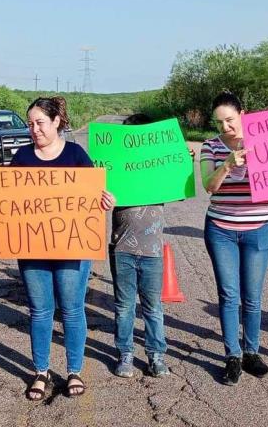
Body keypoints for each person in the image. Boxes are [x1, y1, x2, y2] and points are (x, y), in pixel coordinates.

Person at [0, 96, 115, 401]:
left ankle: (74, 370)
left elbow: (93, 196)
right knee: (40, 311)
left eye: (40, 122)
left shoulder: (77, 155)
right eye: (30, 123)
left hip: (71, 250)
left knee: (72, 310)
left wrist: (106, 201)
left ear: (56, 122)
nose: (34, 129)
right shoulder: (23, 157)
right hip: (33, 250)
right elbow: (6, 201)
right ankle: (41, 372)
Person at [109, 113, 196, 379]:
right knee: (124, 307)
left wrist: (184, 162)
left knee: (153, 307)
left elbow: (182, 188)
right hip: (121, 249)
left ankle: (156, 355)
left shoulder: (160, 171)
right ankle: (125, 353)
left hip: (152, 252)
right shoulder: (115, 169)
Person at [200, 90, 268, 386]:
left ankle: (251, 352)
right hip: (221, 229)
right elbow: (209, 186)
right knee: (229, 295)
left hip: (258, 228)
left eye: (230, 120)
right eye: (219, 123)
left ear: (242, 113)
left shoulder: (266, 143)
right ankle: (232, 356)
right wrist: (228, 164)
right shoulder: (211, 146)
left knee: (253, 297)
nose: (225, 127)